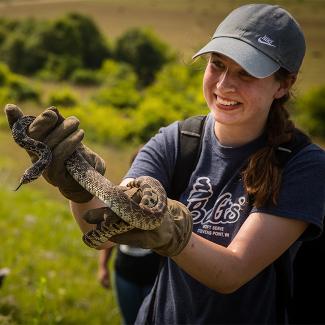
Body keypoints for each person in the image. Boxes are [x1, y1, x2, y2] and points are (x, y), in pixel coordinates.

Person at [5, 3, 325, 324]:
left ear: (283, 85)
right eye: (217, 64)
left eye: (247, 72)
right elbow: (103, 226)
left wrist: (175, 236)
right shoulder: (177, 140)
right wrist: (78, 185)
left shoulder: (304, 165)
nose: (225, 85)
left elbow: (232, 271)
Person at [98, 151, 161, 325]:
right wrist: (103, 266)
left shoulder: (159, 200)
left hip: (153, 272)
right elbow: (110, 234)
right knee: (129, 320)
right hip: (125, 269)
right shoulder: (123, 195)